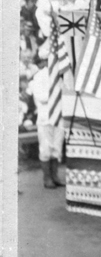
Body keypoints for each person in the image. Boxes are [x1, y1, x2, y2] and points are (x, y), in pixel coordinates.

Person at [27, 53, 64, 189]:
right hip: (45, 117)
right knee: (46, 149)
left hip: (58, 116)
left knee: (57, 148)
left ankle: (55, 176)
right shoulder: (39, 76)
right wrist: (55, 93)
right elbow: (41, 96)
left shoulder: (59, 76)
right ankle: (47, 178)